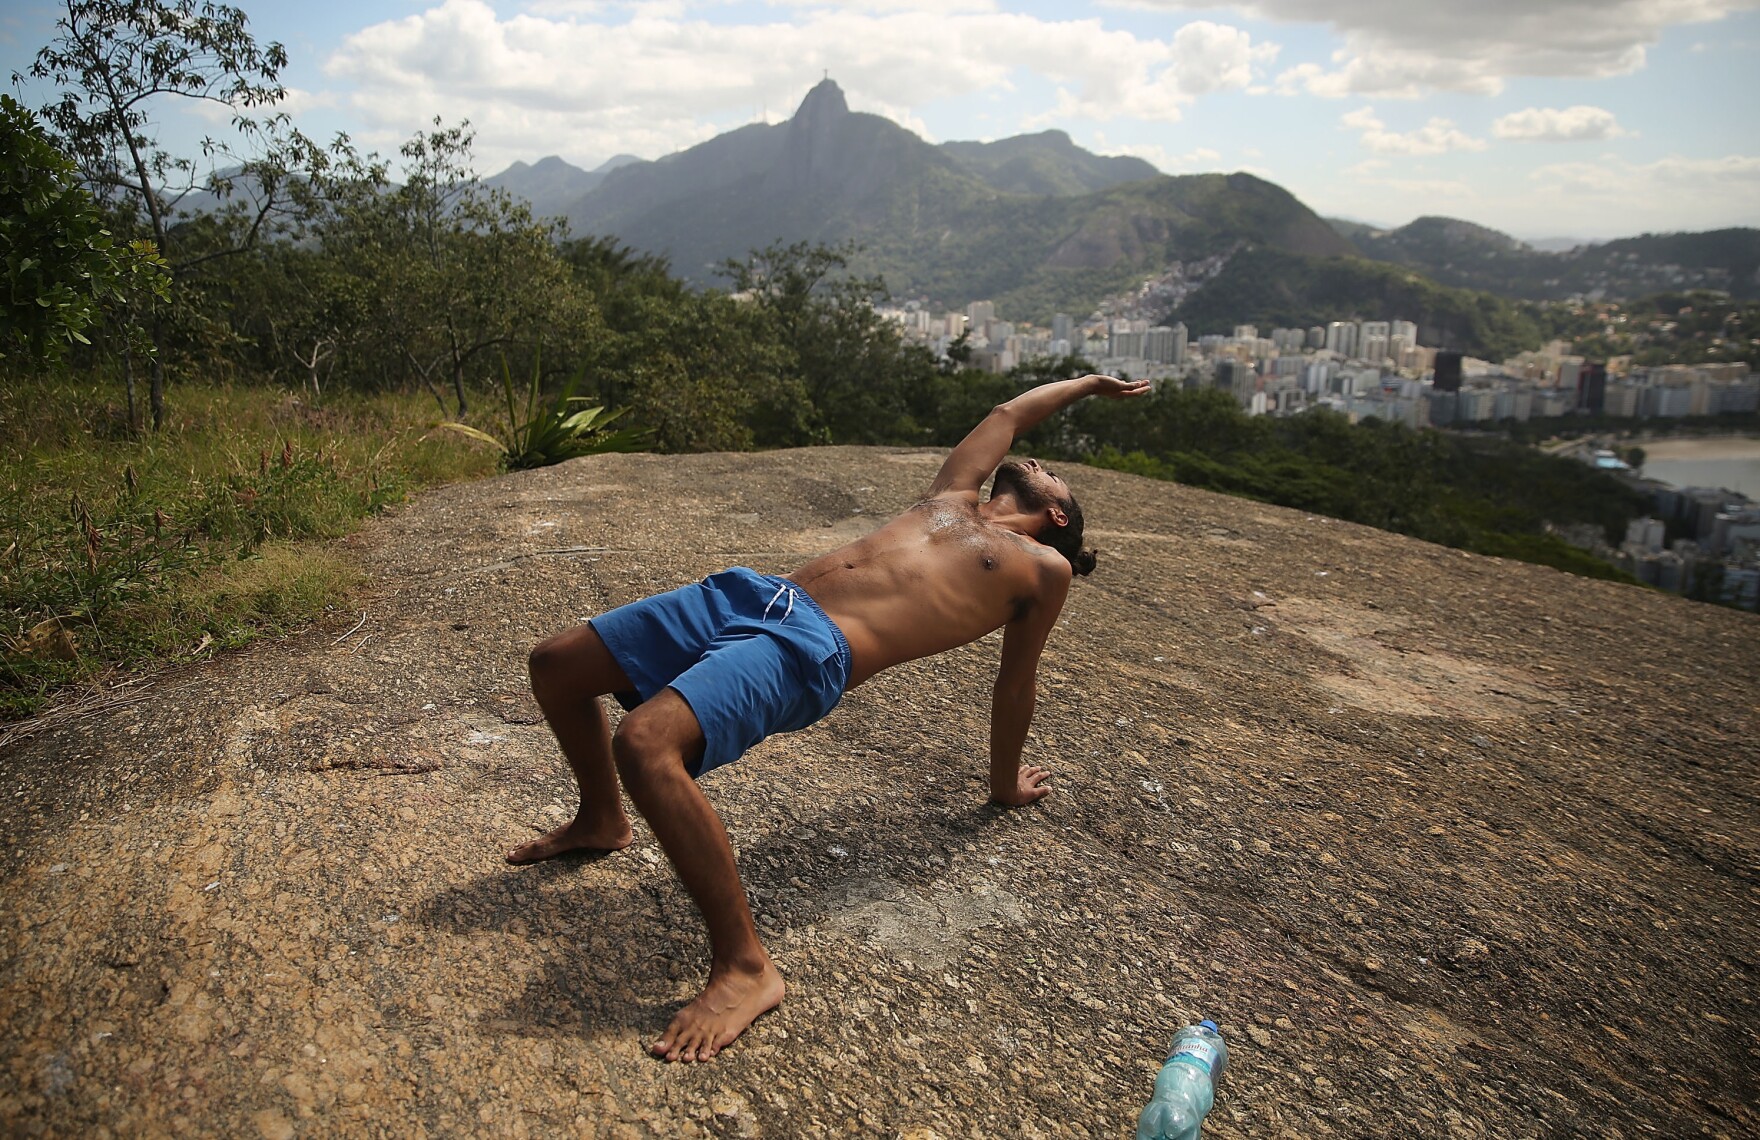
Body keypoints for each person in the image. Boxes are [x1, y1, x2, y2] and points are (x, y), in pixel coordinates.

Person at [507, 373, 1149, 1062]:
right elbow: (1008, 413)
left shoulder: (1042, 568)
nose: (1040, 464)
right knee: (556, 666)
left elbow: (1015, 683)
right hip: (755, 595)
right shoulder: (954, 496)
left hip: (810, 647)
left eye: (1054, 477)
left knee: (644, 743)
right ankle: (603, 820)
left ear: (1058, 517)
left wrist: (1003, 785)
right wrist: (1085, 384)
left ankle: (747, 969)